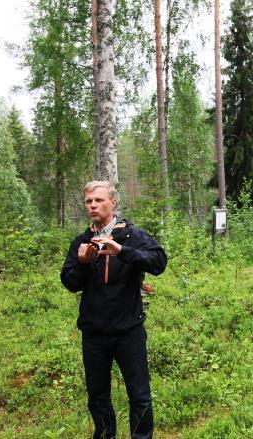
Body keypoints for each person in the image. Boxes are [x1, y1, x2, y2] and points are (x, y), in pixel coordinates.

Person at [61, 181, 167, 439]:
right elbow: (69, 282)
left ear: (113, 203)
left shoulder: (131, 235)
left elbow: (159, 262)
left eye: (98, 200)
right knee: (97, 398)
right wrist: (84, 263)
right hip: (94, 333)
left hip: (128, 330)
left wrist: (122, 251)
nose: (93, 205)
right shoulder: (83, 240)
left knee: (139, 396)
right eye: (89, 201)